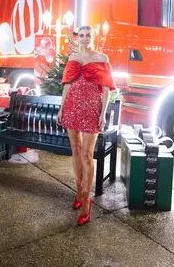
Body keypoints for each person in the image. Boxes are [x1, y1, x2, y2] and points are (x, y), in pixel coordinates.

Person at [57, 25, 116, 225]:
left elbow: (107, 90)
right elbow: (66, 86)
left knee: (87, 154)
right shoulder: (72, 58)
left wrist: (103, 113)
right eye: (81, 35)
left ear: (93, 37)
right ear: (77, 38)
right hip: (72, 105)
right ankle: (78, 192)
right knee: (75, 149)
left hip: (92, 108)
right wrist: (61, 108)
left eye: (88, 35)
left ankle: (86, 200)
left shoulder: (102, 58)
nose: (85, 38)